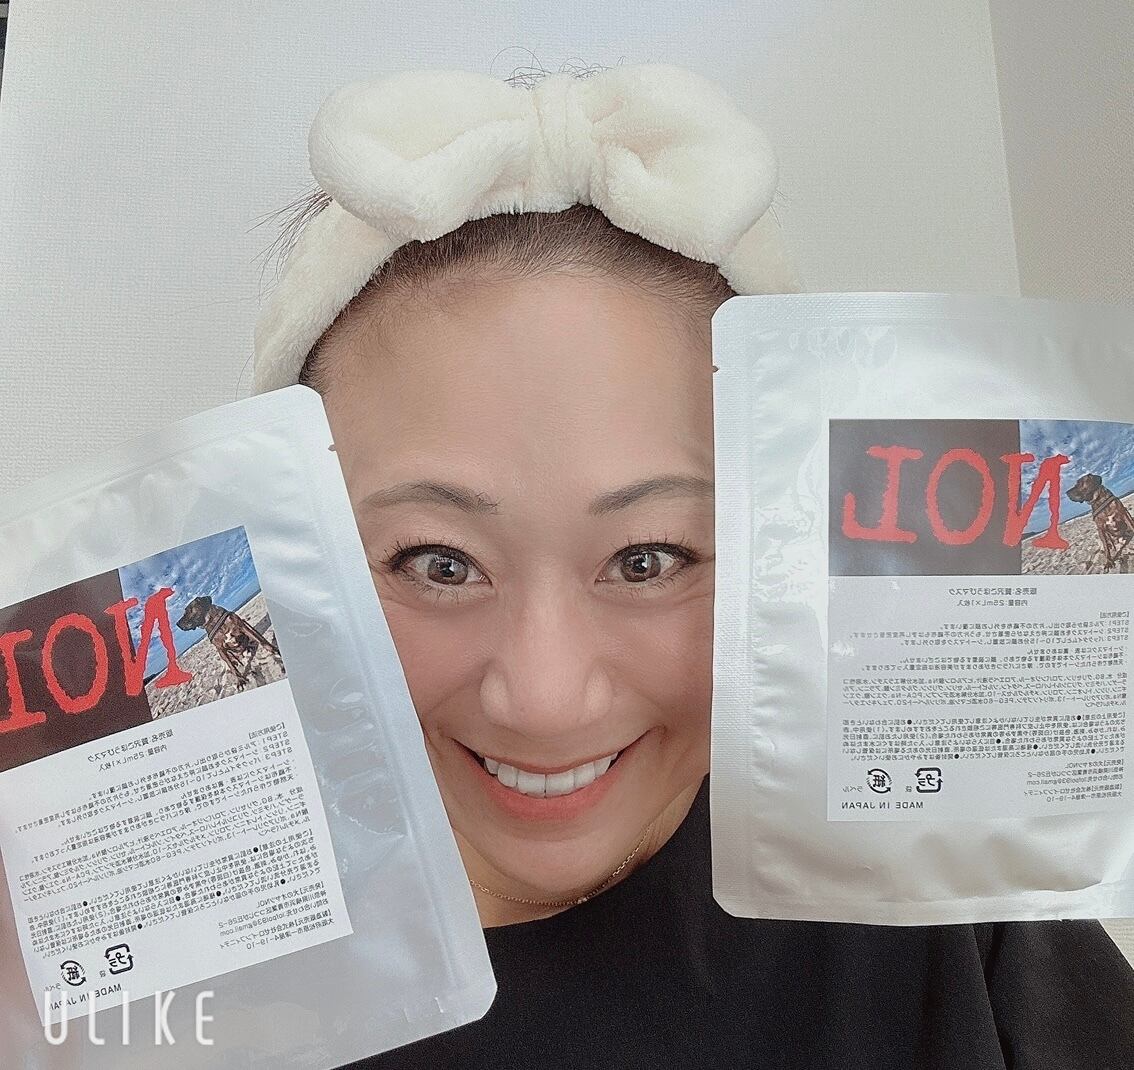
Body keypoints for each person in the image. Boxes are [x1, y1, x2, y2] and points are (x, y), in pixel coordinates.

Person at [251, 62, 1134, 1068]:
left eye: (648, 558)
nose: (546, 700)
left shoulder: (940, 893)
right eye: (438, 563)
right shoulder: (186, 999)